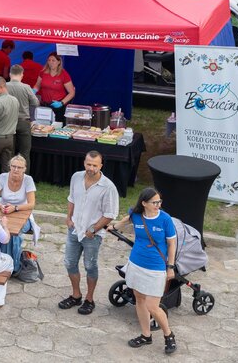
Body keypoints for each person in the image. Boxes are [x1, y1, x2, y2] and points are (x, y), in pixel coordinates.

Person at [108, 187, 178, 354]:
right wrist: (115, 226)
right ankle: (146, 335)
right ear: (144, 203)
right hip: (136, 263)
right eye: (155, 202)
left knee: (153, 306)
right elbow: (128, 218)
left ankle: (169, 335)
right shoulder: (137, 214)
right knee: (139, 300)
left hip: (155, 268)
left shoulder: (165, 219)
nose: (158, 205)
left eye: (159, 201)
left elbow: (172, 244)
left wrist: (170, 267)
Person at [59, 151, 119, 316]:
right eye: (88, 164)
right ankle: (76, 295)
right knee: (70, 263)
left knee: (90, 266)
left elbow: (110, 214)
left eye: (94, 165)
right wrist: (68, 218)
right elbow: (71, 198)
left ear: (101, 166)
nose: (91, 168)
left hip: (93, 234)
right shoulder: (76, 177)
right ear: (84, 163)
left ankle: (89, 299)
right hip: (74, 229)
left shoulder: (108, 187)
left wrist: (93, 229)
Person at [0, 155, 37, 274]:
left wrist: (15, 208)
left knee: (13, 233)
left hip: (22, 214)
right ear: (9, 166)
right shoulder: (3, 177)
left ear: (24, 169)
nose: (16, 169)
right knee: (2, 229)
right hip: (3, 211)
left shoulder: (28, 180)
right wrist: (1, 206)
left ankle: (12, 266)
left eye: (19, 167)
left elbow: (31, 204)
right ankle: (2, 262)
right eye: (13, 166)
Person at [5, 65, 40, 165]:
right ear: (22, 75)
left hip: (8, 122)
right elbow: (36, 102)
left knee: (9, 152)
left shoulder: (5, 86)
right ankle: (25, 178)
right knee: (24, 153)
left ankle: (9, 176)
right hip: (24, 122)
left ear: (10, 74)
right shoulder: (26, 87)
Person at [34, 52, 75, 123]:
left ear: (59, 62)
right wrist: (33, 90)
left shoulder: (64, 74)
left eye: (53, 60)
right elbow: (37, 86)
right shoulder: (43, 72)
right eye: (49, 60)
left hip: (58, 107)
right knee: (43, 127)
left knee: (57, 128)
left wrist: (61, 103)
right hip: (44, 105)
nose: (50, 62)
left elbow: (71, 93)